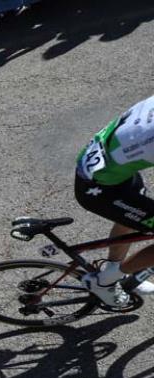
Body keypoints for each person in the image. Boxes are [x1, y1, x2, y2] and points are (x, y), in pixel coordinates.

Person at [77, 95, 154, 308]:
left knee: (130, 219)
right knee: (135, 216)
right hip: (101, 187)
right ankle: (105, 283)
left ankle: (114, 271)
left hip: (112, 169)